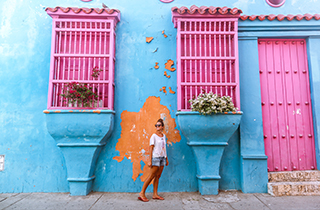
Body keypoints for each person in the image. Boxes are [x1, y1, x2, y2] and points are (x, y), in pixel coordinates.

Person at [138, 118, 169, 202]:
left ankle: (155, 194)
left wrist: (166, 158)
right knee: (151, 175)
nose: (157, 127)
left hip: (162, 158)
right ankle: (142, 193)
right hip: (156, 158)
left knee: (158, 176)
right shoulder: (153, 136)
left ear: (162, 127)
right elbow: (151, 148)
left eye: (159, 125)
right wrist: (150, 160)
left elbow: (164, 148)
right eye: (156, 125)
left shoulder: (163, 136)